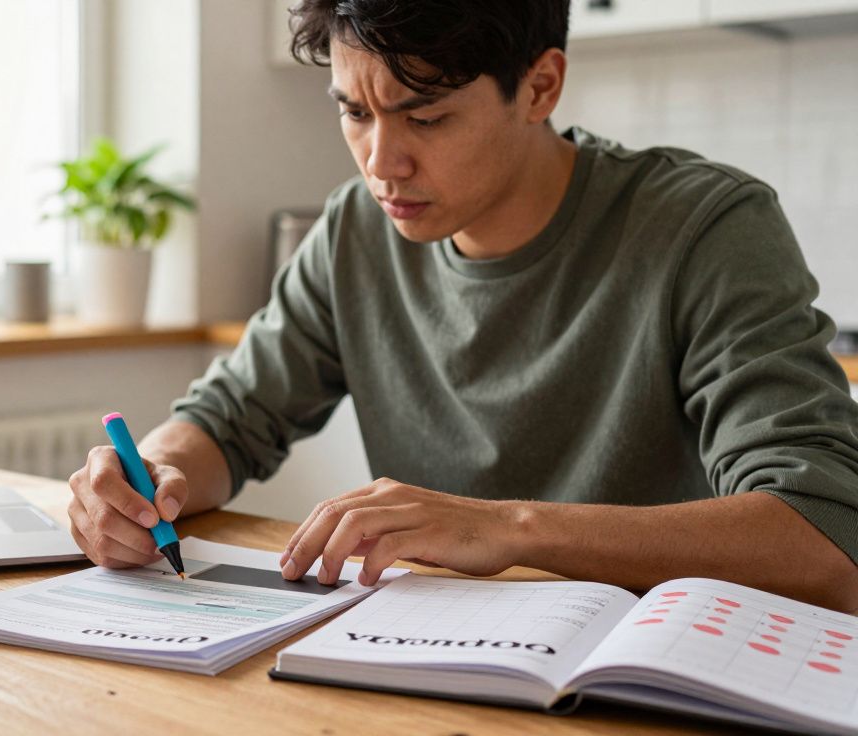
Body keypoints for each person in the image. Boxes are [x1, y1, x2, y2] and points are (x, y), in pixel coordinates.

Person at [66, 0, 858, 612]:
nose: (383, 162)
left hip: (652, 678)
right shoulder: (354, 233)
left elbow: (825, 537)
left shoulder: (704, 228)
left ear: (541, 85)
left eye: (426, 115)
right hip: (436, 666)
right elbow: (229, 418)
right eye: (354, 111)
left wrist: (503, 527)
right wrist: (153, 478)